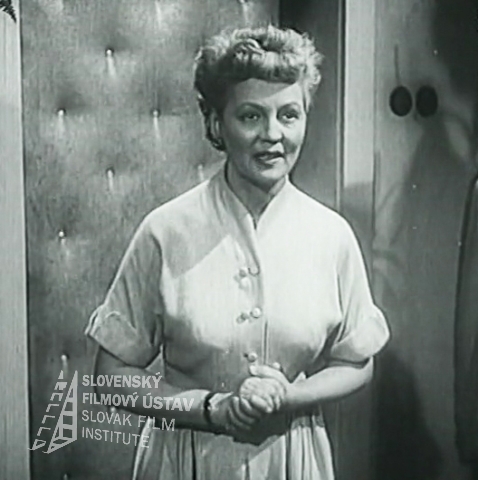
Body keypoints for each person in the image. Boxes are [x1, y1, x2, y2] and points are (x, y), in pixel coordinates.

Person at [84, 25, 390, 480]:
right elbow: (110, 375)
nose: (273, 135)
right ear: (216, 124)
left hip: (293, 458)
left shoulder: (332, 236)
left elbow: (357, 361)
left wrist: (289, 397)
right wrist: (211, 408)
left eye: (289, 115)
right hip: (186, 459)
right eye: (250, 116)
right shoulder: (166, 231)